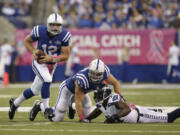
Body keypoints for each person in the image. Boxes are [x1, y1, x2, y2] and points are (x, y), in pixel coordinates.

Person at [8, 13, 71, 120]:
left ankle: (15, 103)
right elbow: (26, 41)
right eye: (52, 25)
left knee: (34, 91)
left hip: (51, 64)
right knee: (47, 79)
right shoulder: (40, 30)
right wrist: (33, 51)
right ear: (47, 24)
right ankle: (46, 108)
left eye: (57, 25)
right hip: (39, 62)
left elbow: (66, 56)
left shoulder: (64, 35)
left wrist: (51, 59)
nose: (55, 27)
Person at [29, 59, 122, 123]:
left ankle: (71, 106)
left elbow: (116, 83)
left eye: (98, 74)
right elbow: (78, 99)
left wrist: (118, 98)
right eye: (93, 73)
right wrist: (81, 118)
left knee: (89, 115)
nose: (95, 76)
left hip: (83, 91)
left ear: (103, 73)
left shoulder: (105, 72)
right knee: (58, 117)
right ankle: (39, 106)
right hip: (67, 89)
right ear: (89, 71)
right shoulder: (82, 79)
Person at [86, 86, 180, 123]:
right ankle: (156, 111)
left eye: (98, 95)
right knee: (159, 112)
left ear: (105, 94)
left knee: (169, 118)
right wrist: (87, 119)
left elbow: (127, 109)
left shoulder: (112, 99)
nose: (97, 97)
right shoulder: (102, 104)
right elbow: (97, 111)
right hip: (133, 114)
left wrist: (115, 117)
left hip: (140, 115)